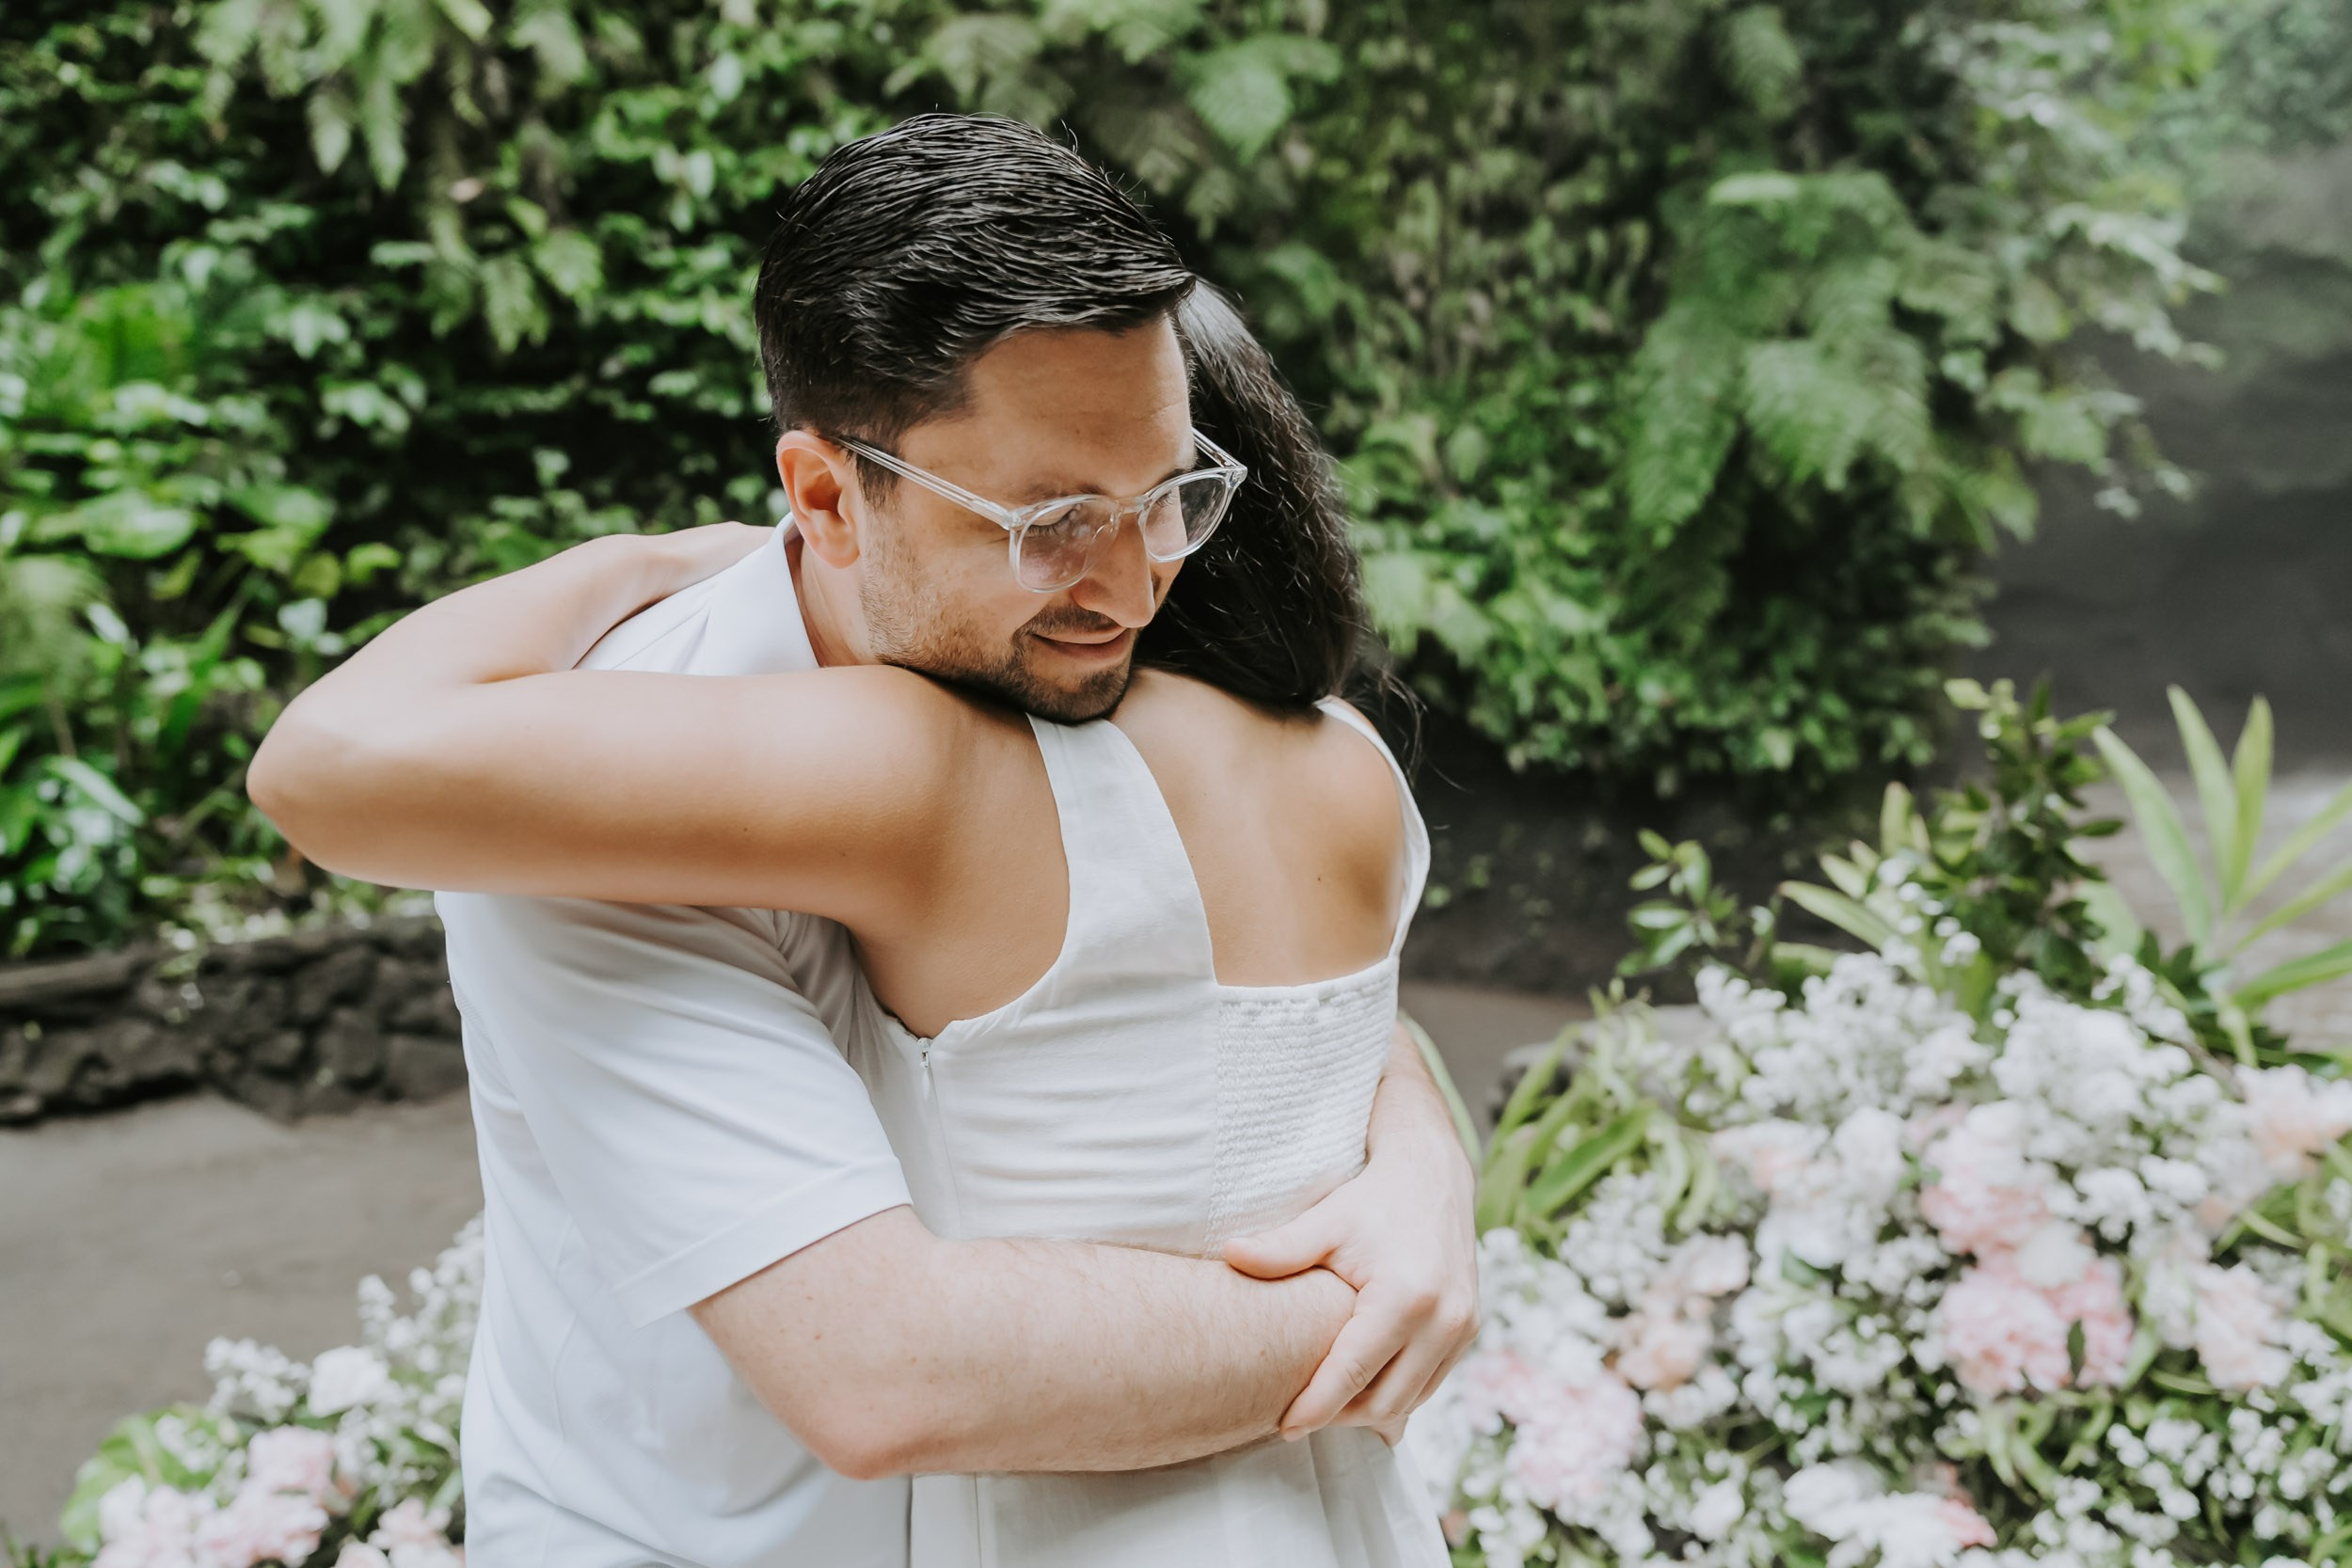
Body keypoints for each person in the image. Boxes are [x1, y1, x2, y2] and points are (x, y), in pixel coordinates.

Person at [249, 115, 1473, 1568]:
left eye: (1166, 499)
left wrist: (1419, 1161)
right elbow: (882, 1372)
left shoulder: (1095, 679)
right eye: (1054, 519)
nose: (1131, 580)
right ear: (826, 498)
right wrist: (1383, 1309)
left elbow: (1229, 990)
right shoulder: (601, 777)